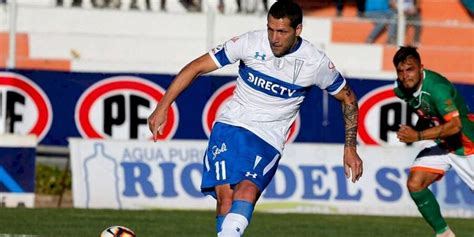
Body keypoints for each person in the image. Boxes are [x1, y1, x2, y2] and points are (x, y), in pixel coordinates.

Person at [148, 0, 364, 236]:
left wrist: (350, 147)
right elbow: (196, 67)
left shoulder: (315, 63)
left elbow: (349, 98)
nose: (274, 38)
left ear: (298, 30)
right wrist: (163, 105)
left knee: (247, 191)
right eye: (270, 29)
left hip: (268, 138)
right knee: (225, 200)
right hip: (230, 126)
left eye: (281, 31)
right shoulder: (250, 42)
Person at [394, 46, 474, 237]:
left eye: (410, 69)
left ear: (421, 68)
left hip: (467, 145)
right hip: (442, 143)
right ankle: (444, 234)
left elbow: (455, 126)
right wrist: (420, 127)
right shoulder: (400, 90)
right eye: (401, 71)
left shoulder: (437, 89)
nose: (406, 76)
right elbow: (426, 113)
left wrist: (417, 136)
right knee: (415, 183)